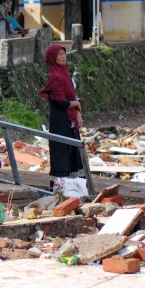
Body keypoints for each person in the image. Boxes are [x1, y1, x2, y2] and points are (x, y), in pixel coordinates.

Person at [39, 44, 84, 186]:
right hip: (60, 119)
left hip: (70, 118)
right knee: (62, 149)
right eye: (59, 54)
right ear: (53, 57)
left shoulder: (65, 73)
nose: (63, 56)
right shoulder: (54, 76)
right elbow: (61, 102)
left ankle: (76, 186)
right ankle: (61, 185)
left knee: (74, 149)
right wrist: (76, 104)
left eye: (64, 53)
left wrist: (78, 114)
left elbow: (72, 96)